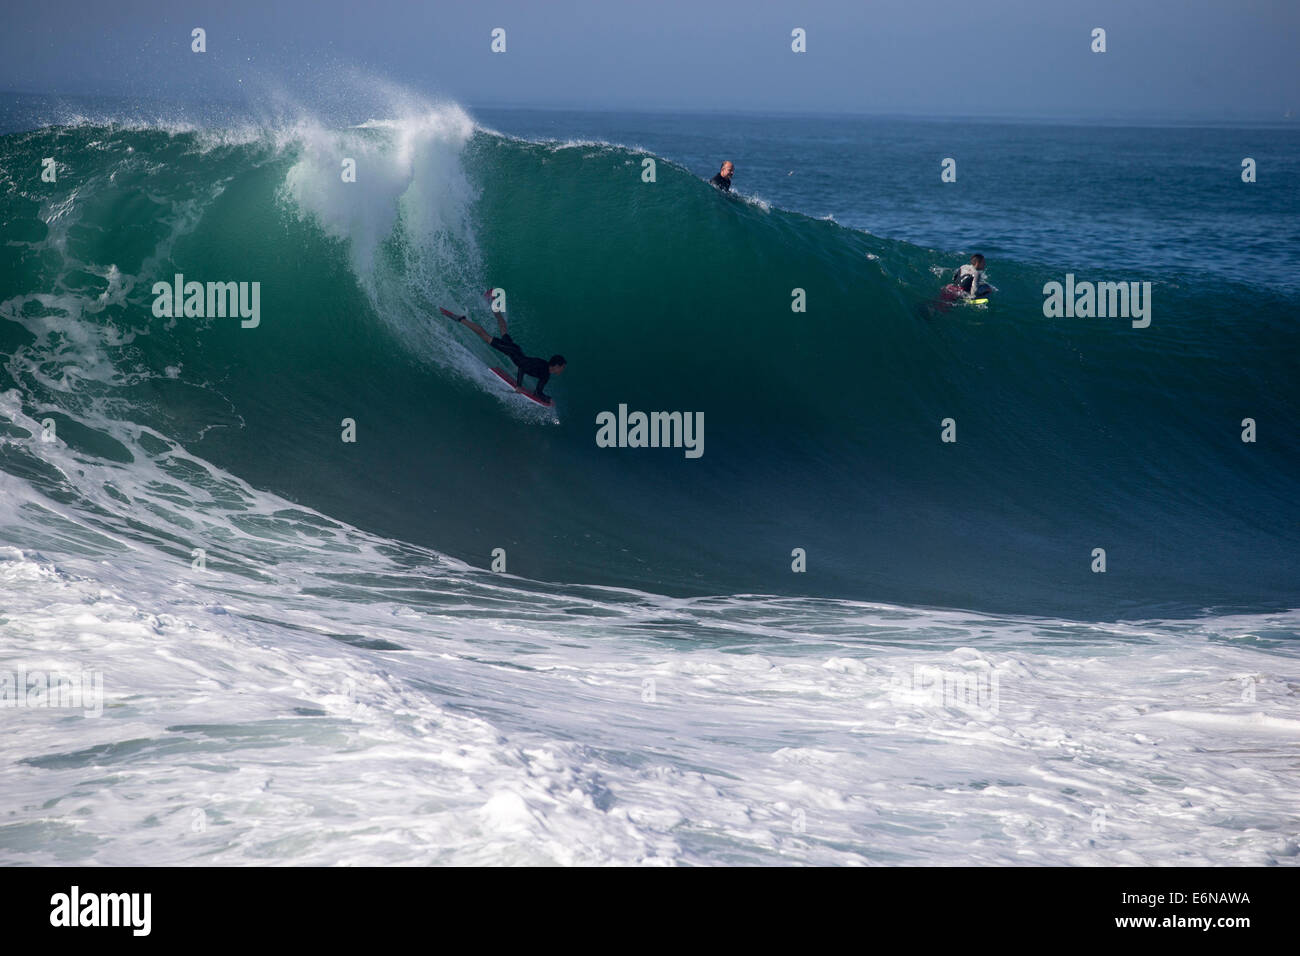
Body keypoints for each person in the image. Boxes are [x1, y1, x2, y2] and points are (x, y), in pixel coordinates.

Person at [447, 292, 566, 402]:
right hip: (513, 351)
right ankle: (461, 319)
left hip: (516, 352)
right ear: (556, 365)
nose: (562, 370)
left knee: (503, 327)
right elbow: (522, 367)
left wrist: (548, 399)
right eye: (562, 367)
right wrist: (519, 385)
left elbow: (538, 392)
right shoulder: (542, 365)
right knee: (485, 336)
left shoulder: (546, 375)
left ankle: (493, 298)